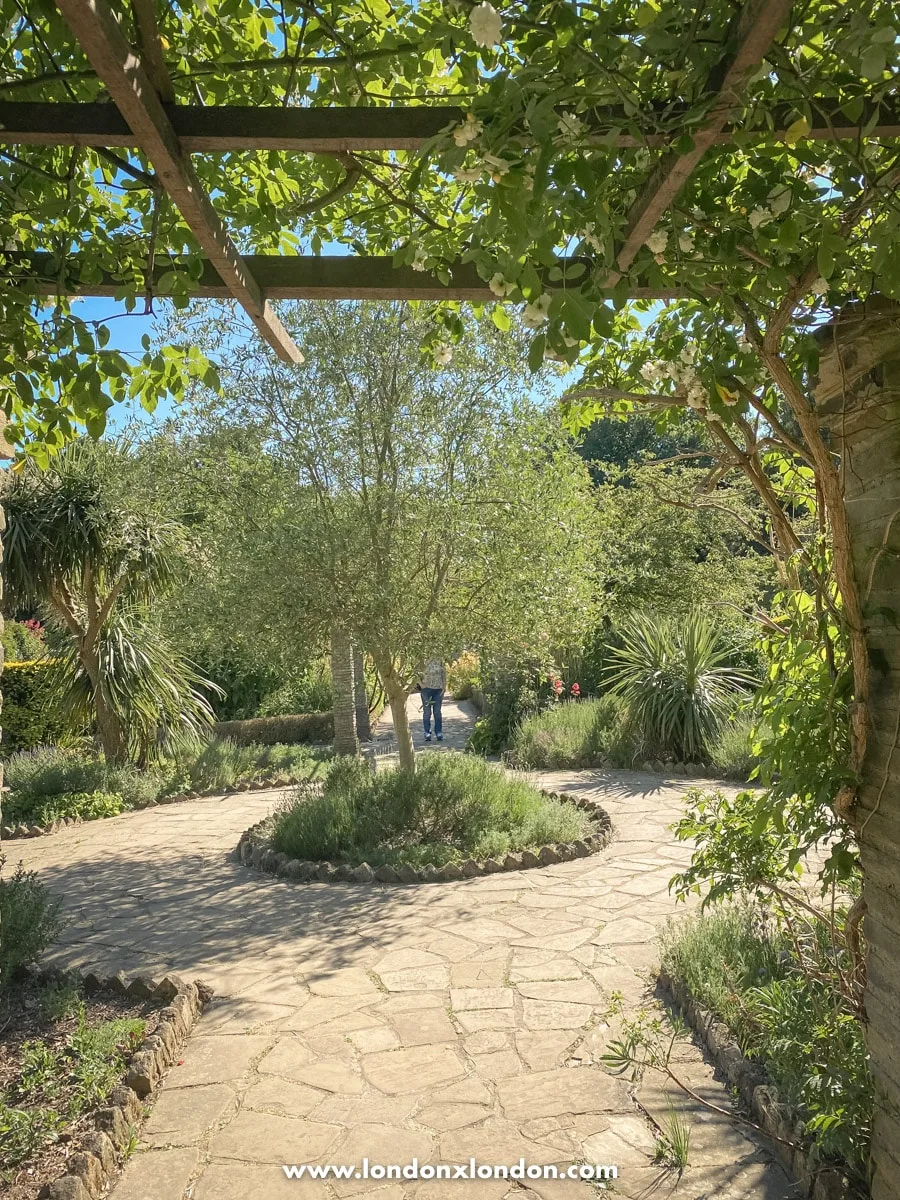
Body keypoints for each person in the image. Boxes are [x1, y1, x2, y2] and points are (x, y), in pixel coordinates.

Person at [419, 657, 446, 743]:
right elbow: (415, 673)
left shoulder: (440, 658)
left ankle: (439, 732)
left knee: (437, 711)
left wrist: (444, 686)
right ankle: (427, 732)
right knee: (427, 712)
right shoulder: (422, 657)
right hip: (426, 689)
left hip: (438, 689)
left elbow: (444, 672)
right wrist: (421, 685)